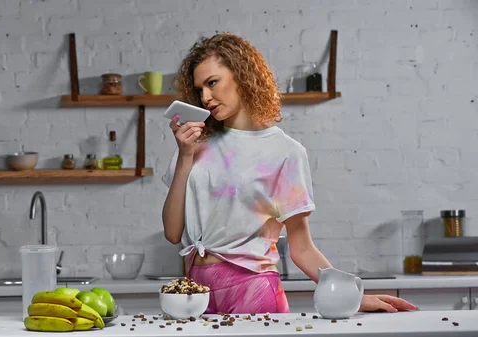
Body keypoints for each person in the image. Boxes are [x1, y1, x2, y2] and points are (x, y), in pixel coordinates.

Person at [161, 32, 418, 315]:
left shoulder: (285, 152)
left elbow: (302, 248)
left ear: (242, 75)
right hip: (193, 294)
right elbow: (173, 234)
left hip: (254, 291)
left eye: (212, 83)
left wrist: (354, 295)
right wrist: (185, 157)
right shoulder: (193, 145)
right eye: (199, 90)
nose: (206, 97)